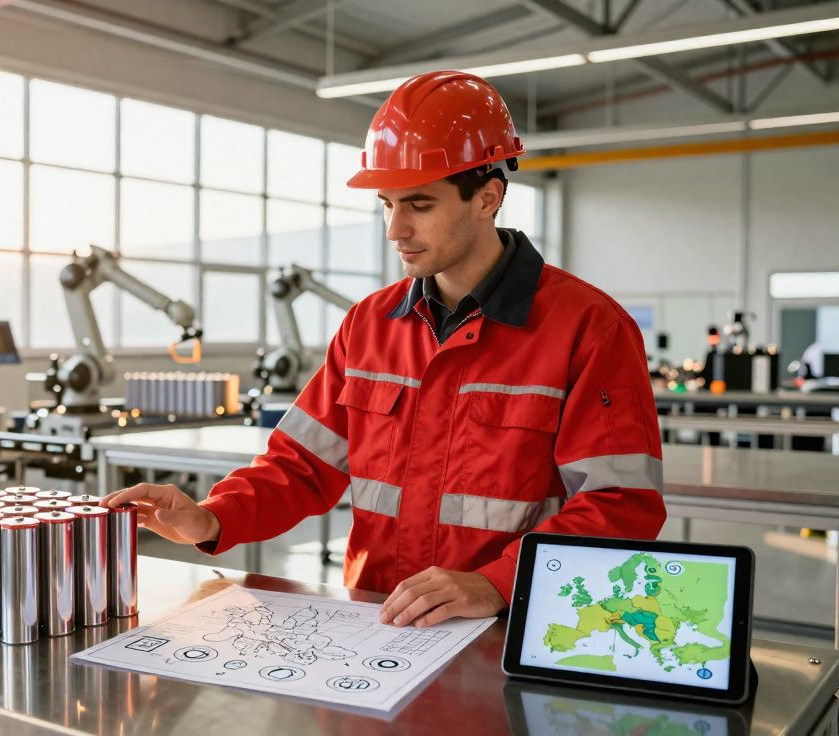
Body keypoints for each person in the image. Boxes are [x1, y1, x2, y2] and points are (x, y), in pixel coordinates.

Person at [101, 70, 666, 628]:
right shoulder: (369, 325)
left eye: (419, 205)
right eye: (387, 204)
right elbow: (301, 466)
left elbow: (619, 504)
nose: (395, 229)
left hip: (510, 626)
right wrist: (212, 517)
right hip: (376, 625)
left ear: (488, 197)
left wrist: (497, 583)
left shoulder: (588, 328)